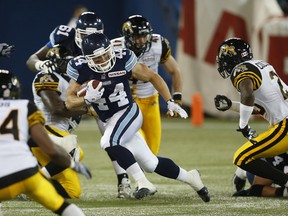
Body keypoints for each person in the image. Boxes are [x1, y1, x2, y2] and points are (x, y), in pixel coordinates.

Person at [65, 32, 210, 202]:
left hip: (129, 111)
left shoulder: (122, 58)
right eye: (97, 58)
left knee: (108, 141)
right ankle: (191, 178)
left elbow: (153, 76)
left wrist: (170, 101)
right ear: (87, 59)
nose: (104, 59)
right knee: (151, 164)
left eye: (105, 53)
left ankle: (142, 183)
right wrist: (86, 99)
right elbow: (69, 102)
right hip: (111, 120)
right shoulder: (80, 68)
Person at [110, 14, 183, 198]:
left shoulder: (159, 44)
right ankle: (139, 184)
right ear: (127, 36)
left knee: (151, 156)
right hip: (127, 105)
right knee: (132, 146)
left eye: (144, 35)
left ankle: (143, 181)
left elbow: (175, 70)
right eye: (137, 36)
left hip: (151, 101)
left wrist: (177, 98)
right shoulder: (114, 48)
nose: (142, 40)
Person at [0, 69, 91, 215]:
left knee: (72, 190)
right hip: (27, 176)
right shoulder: (25, 107)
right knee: (63, 207)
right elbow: (50, 149)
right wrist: (72, 164)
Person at [214, 37, 288, 192]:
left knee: (241, 157)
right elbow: (259, 107)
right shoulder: (262, 65)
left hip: (285, 125)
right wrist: (231, 106)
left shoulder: (240, 70)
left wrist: (243, 125)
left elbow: (247, 95)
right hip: (283, 121)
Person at [29, 45, 94, 199]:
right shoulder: (47, 77)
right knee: (75, 150)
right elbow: (56, 109)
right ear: (56, 63)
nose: (71, 67)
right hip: (46, 129)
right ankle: (33, 179)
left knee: (72, 191)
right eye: (67, 63)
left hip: (60, 131)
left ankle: (31, 187)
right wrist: (88, 110)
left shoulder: (71, 81)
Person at [26, 11, 104, 74]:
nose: (88, 41)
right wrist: (41, 65)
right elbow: (31, 60)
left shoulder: (103, 47)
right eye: (84, 35)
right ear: (76, 32)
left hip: (87, 85)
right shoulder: (65, 38)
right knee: (43, 78)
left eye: (93, 36)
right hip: (64, 81)